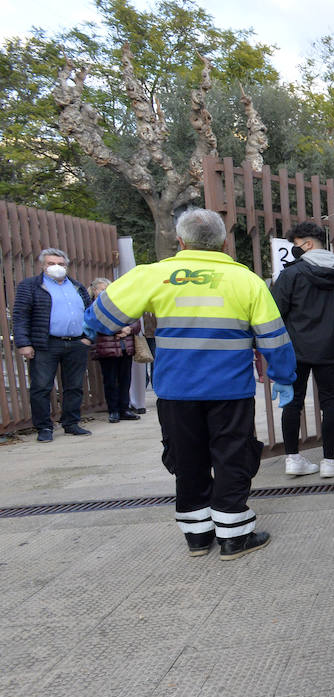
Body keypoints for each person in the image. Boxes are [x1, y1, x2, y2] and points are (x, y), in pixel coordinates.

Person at [85, 209, 296, 561]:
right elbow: (273, 338)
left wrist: (90, 327)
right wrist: (284, 377)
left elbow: (101, 317)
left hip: (176, 391)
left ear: (180, 242)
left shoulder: (154, 274)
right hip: (230, 391)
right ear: (225, 243)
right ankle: (234, 537)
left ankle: (198, 537)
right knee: (232, 458)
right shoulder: (247, 281)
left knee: (187, 458)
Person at [271, 220, 334, 478]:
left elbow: (275, 314)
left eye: (296, 245)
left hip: (296, 350)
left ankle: (293, 458)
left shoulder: (290, 275)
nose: (294, 250)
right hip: (331, 350)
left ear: (308, 244)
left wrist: (272, 351)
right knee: (330, 403)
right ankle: (329, 462)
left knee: (292, 402)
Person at [12, 248, 94, 441]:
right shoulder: (31, 286)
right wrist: (24, 343)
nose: (56, 267)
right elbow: (20, 316)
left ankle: (71, 423)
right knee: (41, 387)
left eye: (60, 264)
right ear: (42, 265)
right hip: (45, 344)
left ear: (66, 266)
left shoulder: (77, 286)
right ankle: (44, 428)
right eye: (51, 263)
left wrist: (88, 338)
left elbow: (91, 313)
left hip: (76, 343)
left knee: (74, 386)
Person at [86, 277, 142, 424]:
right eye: (101, 288)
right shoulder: (93, 308)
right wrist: (116, 330)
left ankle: (125, 408)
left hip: (125, 347)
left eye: (107, 288)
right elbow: (94, 325)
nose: (104, 291)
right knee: (110, 380)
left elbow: (136, 321)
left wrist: (128, 329)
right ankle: (113, 410)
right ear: (94, 290)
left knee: (125, 379)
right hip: (106, 348)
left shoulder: (121, 304)